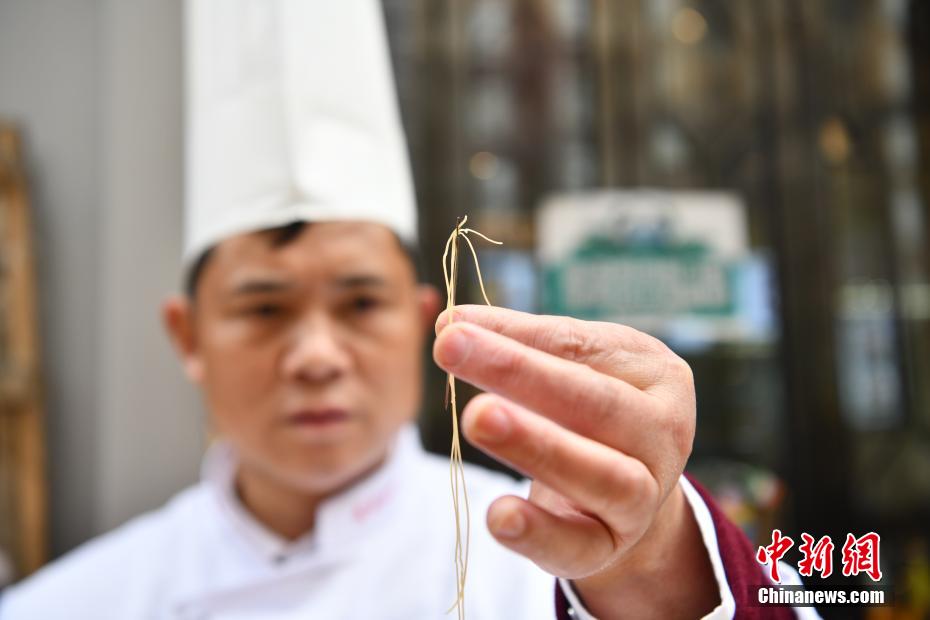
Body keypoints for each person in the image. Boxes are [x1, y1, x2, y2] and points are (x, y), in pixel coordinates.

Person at [0, 1, 815, 618]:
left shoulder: (543, 572)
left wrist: (658, 560)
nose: (317, 354)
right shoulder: (72, 602)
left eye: (360, 301)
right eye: (263, 308)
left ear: (427, 315)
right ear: (188, 335)